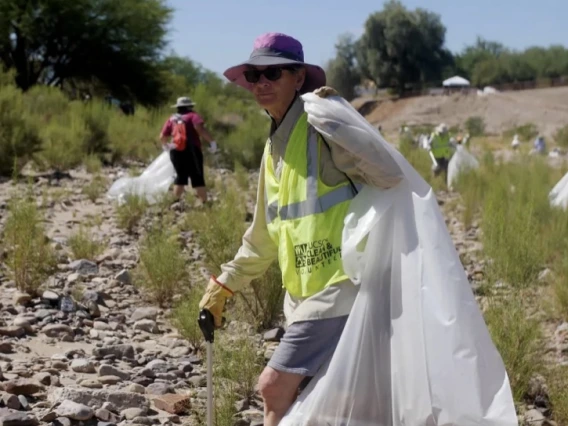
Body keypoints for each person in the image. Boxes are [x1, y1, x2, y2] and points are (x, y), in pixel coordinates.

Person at [198, 32, 403, 426]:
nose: (261, 84)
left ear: (298, 78)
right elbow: (262, 237)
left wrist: (342, 118)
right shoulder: (273, 148)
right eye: (254, 75)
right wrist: (226, 285)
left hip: (341, 289)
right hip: (303, 297)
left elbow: (390, 174)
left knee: (274, 387)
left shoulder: (321, 127)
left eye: (272, 73)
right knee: (336, 398)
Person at [159, 96, 218, 202]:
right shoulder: (193, 116)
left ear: (178, 107)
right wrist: (212, 142)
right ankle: (205, 203)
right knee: (197, 176)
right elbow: (200, 129)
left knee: (180, 176)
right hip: (192, 150)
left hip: (175, 150)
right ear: (190, 106)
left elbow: (162, 136)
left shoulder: (172, 118)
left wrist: (165, 146)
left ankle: (174, 202)